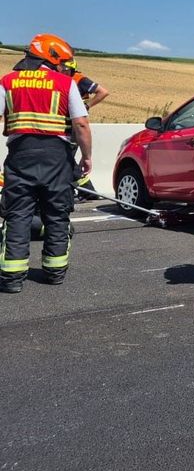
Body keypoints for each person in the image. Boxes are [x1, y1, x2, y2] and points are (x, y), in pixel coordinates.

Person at [0, 33, 92, 293]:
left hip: (20, 156)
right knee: (57, 214)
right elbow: (81, 124)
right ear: (51, 58)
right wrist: (86, 157)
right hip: (57, 158)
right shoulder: (65, 84)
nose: (65, 67)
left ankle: (12, 277)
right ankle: (54, 272)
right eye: (63, 62)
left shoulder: (8, 81)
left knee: (17, 214)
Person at [62, 57, 109, 192]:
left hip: (74, 125)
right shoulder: (59, 79)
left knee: (66, 158)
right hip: (64, 125)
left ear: (72, 69)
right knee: (65, 158)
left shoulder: (79, 79)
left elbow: (103, 92)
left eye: (66, 69)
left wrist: (86, 106)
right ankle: (85, 189)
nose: (63, 71)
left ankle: (86, 189)